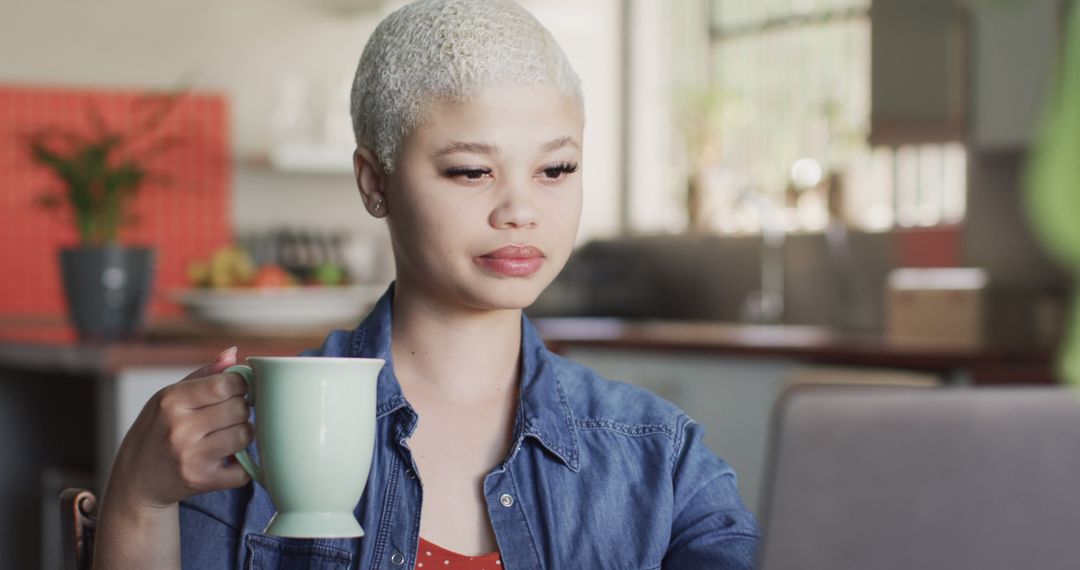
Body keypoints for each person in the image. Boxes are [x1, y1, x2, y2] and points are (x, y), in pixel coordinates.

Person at [93, 0, 760, 568]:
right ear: (374, 182)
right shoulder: (253, 438)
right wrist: (137, 494)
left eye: (556, 169)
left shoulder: (659, 456)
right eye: (471, 171)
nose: (520, 209)